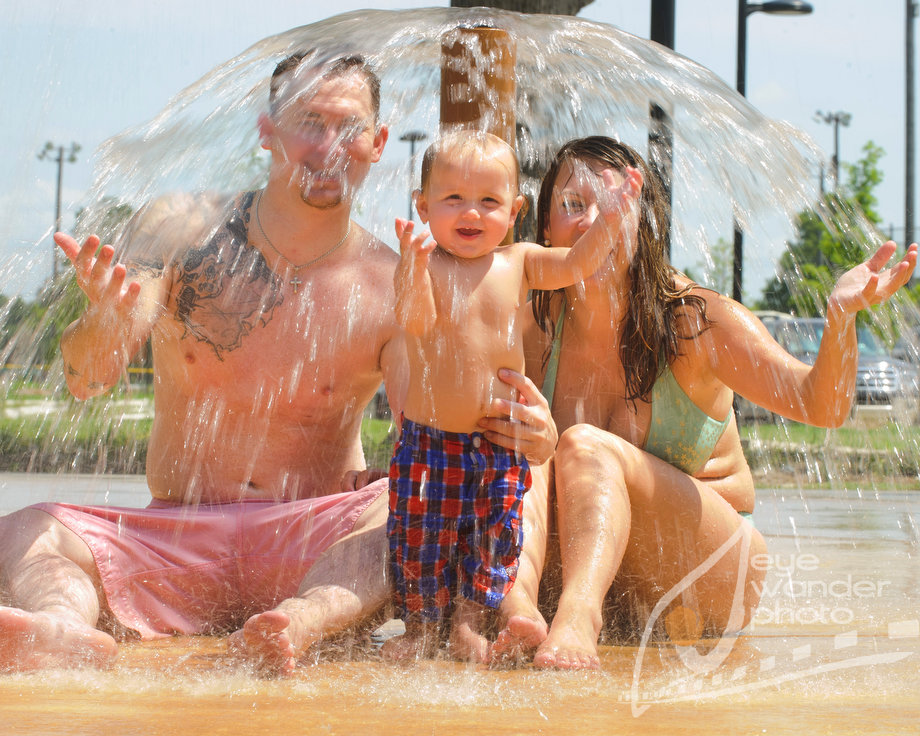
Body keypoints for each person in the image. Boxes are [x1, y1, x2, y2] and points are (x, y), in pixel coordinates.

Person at [0, 51, 557, 678]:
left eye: (349, 130)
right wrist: (103, 318)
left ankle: (300, 621)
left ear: (377, 145)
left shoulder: (394, 284)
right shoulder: (181, 229)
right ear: (268, 131)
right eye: (309, 123)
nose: (329, 147)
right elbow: (87, 378)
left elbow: (430, 437)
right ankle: (60, 626)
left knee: (406, 509)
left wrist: (532, 435)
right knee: (27, 529)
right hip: (178, 535)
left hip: (315, 543)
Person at [500, 136, 917, 670]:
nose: (592, 221)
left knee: (583, 447)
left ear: (642, 223)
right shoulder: (535, 329)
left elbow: (823, 406)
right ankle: (521, 614)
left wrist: (840, 320)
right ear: (546, 232)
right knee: (517, 452)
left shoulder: (693, 323)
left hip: (706, 574)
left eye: (613, 204)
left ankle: (579, 619)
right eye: (572, 206)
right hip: (607, 578)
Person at [382, 131, 642, 663]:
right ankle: (417, 627)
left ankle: (468, 625)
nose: (470, 211)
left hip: (496, 443)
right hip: (429, 442)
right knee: (419, 538)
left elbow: (576, 264)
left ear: (516, 210)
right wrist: (411, 265)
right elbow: (415, 320)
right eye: (452, 198)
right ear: (423, 205)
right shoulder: (424, 266)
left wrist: (613, 219)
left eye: (489, 200)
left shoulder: (520, 263)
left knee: (492, 540)